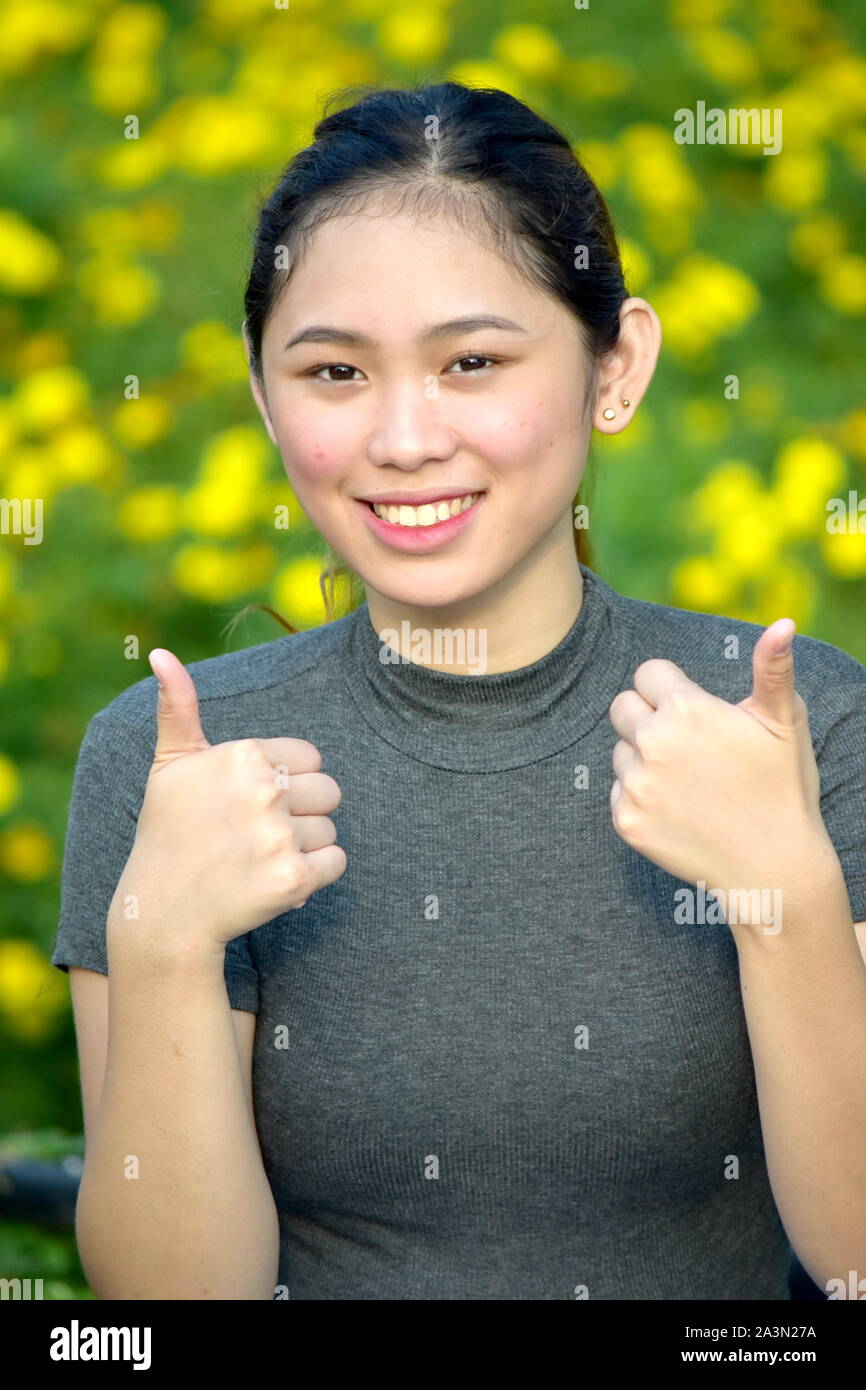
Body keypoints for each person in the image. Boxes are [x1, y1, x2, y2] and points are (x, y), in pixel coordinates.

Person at [51, 81, 866, 1301]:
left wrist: (785, 893)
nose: (403, 436)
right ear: (263, 391)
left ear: (615, 363)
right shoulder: (171, 761)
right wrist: (164, 944)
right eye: (332, 372)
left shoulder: (796, 722)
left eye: (471, 361)